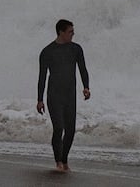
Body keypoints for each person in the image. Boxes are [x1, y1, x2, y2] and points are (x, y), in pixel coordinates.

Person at [35, 18, 90, 172]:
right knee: (59, 128)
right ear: (61, 32)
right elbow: (42, 77)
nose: (73, 34)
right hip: (54, 96)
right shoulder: (47, 52)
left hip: (70, 96)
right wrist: (39, 99)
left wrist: (86, 87)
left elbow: (83, 69)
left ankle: (64, 159)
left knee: (71, 130)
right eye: (70, 31)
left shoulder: (76, 49)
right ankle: (58, 161)